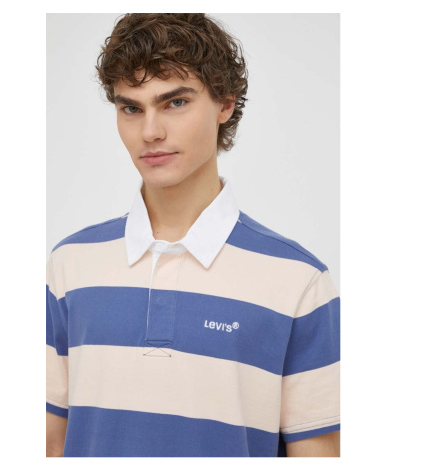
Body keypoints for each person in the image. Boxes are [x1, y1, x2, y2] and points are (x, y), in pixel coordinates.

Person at [46, 13, 340, 458]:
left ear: (225, 104)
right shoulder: (70, 265)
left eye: (175, 103)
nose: (150, 132)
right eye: (131, 108)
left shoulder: (300, 283)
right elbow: (48, 446)